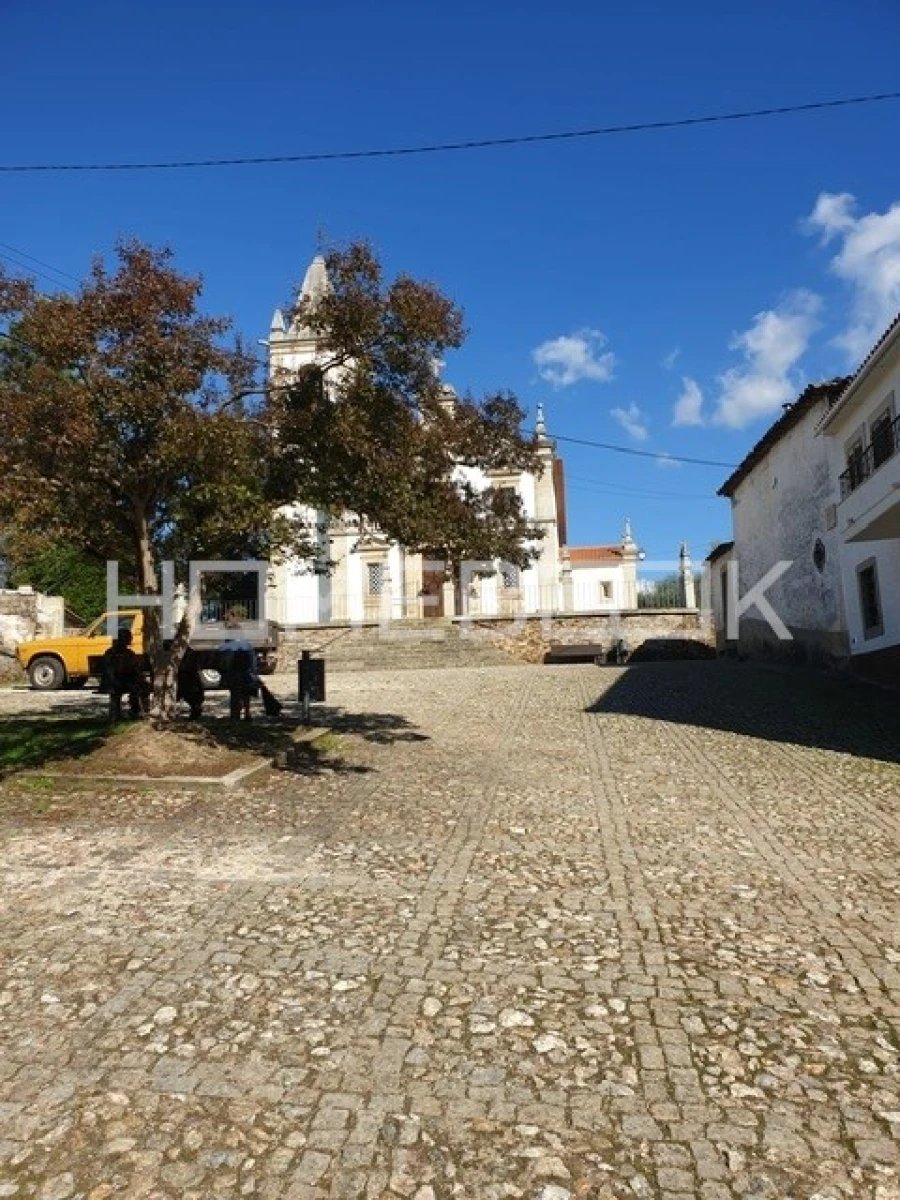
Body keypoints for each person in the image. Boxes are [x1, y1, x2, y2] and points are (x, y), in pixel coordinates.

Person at [102, 629, 151, 720]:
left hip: (118, 682)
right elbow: (116, 670)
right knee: (138, 687)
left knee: (141, 686)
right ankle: (136, 711)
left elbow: (134, 668)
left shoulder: (125, 653)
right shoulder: (113, 654)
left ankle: (136, 711)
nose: (130, 640)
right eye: (128, 638)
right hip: (115, 682)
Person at [176, 646, 205, 720]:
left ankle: (195, 713)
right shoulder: (191, 653)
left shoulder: (192, 654)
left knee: (194, 698)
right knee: (193, 698)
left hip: (189, 679)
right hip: (187, 679)